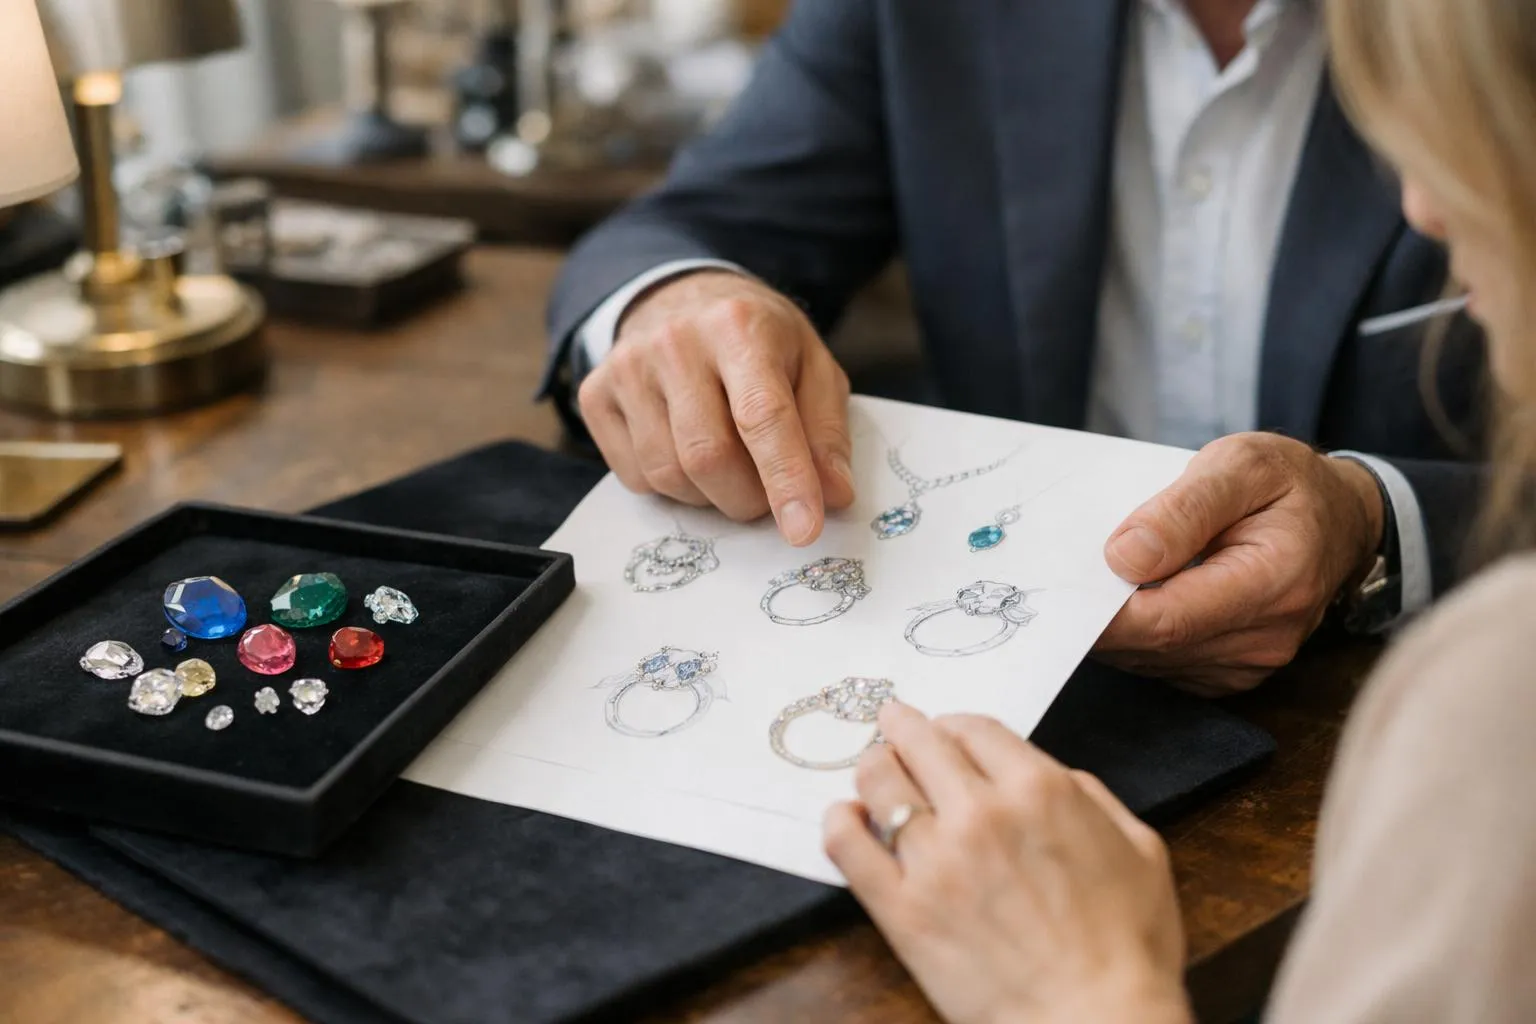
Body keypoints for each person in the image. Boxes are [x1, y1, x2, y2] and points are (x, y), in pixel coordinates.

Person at [821, 0, 1536, 1019]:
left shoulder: (1492, 710)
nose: (1421, 204)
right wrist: (681, 301)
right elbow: (707, 215)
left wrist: (1082, 991)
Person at [544, 0, 1489, 696]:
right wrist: (675, 302)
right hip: (1005, 691)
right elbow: (689, 224)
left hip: (1424, 703)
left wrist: (1375, 524)